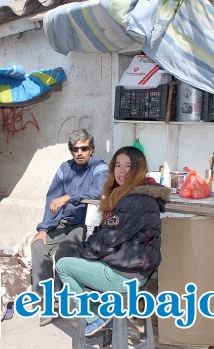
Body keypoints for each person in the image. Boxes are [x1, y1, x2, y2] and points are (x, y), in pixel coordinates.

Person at [56, 146, 171, 336]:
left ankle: (96, 317)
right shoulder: (139, 197)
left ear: (139, 170)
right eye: (118, 165)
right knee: (82, 262)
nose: (122, 171)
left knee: (64, 266)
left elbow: (107, 239)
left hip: (124, 276)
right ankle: (100, 312)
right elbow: (108, 234)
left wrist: (83, 253)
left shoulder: (132, 201)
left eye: (128, 166)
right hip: (137, 273)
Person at [31, 129, 109, 326]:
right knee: (38, 246)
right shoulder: (64, 168)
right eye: (75, 149)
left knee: (65, 251)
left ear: (91, 149)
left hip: (85, 224)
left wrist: (69, 196)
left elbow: (99, 191)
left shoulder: (99, 168)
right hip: (63, 222)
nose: (79, 153)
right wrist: (44, 228)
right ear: (71, 151)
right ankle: (46, 302)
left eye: (84, 148)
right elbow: (52, 199)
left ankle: (62, 297)